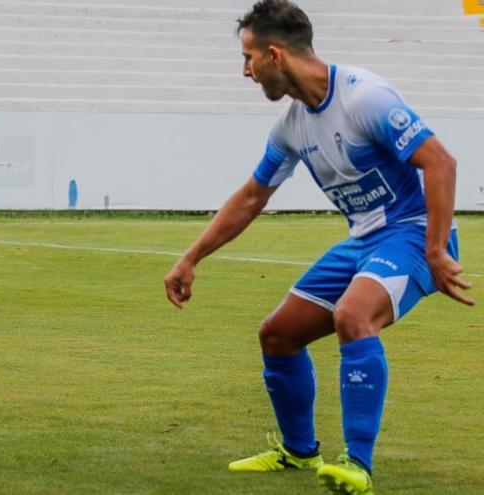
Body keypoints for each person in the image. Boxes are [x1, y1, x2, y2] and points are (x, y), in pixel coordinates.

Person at [163, 1, 473, 493]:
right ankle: (299, 451)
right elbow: (251, 196)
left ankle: (358, 464)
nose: (244, 71)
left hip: (412, 232)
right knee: (278, 335)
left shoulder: (364, 98)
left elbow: (441, 163)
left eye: (247, 58)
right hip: (365, 239)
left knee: (354, 316)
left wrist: (436, 250)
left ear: (274, 55)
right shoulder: (291, 127)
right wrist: (191, 257)